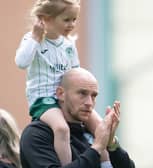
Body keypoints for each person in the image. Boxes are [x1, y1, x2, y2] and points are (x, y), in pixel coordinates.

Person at [15, 0, 102, 166]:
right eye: (66, 19)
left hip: (65, 98)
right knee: (62, 129)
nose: (72, 24)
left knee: (101, 126)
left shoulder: (68, 44)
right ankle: (67, 165)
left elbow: (75, 73)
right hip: (44, 99)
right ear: (47, 19)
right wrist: (34, 36)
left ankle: (106, 164)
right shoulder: (33, 40)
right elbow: (21, 62)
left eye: (74, 19)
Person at [20, 67, 135, 168]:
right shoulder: (37, 134)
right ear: (61, 94)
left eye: (94, 96)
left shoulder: (90, 131)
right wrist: (97, 147)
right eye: (82, 93)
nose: (89, 102)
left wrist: (112, 144)